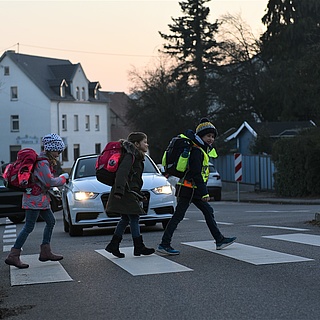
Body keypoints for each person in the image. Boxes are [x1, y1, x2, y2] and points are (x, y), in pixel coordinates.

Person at [157, 118, 237, 255]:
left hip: (192, 189)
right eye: (208, 136)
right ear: (200, 136)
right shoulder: (196, 151)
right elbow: (196, 173)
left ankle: (219, 239)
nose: (211, 139)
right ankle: (164, 244)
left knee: (207, 212)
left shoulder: (201, 150)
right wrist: (204, 192)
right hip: (189, 189)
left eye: (212, 136)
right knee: (178, 216)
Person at [5, 133, 68, 269]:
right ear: (52, 149)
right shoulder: (43, 163)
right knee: (29, 226)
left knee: (50, 221)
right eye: (58, 150)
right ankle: (13, 255)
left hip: (40, 199)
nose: (59, 153)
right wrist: (63, 178)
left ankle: (45, 251)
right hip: (34, 199)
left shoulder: (44, 161)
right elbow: (49, 181)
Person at [105, 132, 155, 258]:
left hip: (130, 192)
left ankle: (114, 245)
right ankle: (138, 246)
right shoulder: (130, 156)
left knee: (126, 218)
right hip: (126, 192)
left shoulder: (136, 156)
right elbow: (122, 173)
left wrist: (139, 193)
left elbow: (134, 179)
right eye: (144, 142)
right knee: (134, 217)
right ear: (137, 144)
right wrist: (119, 191)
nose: (147, 144)